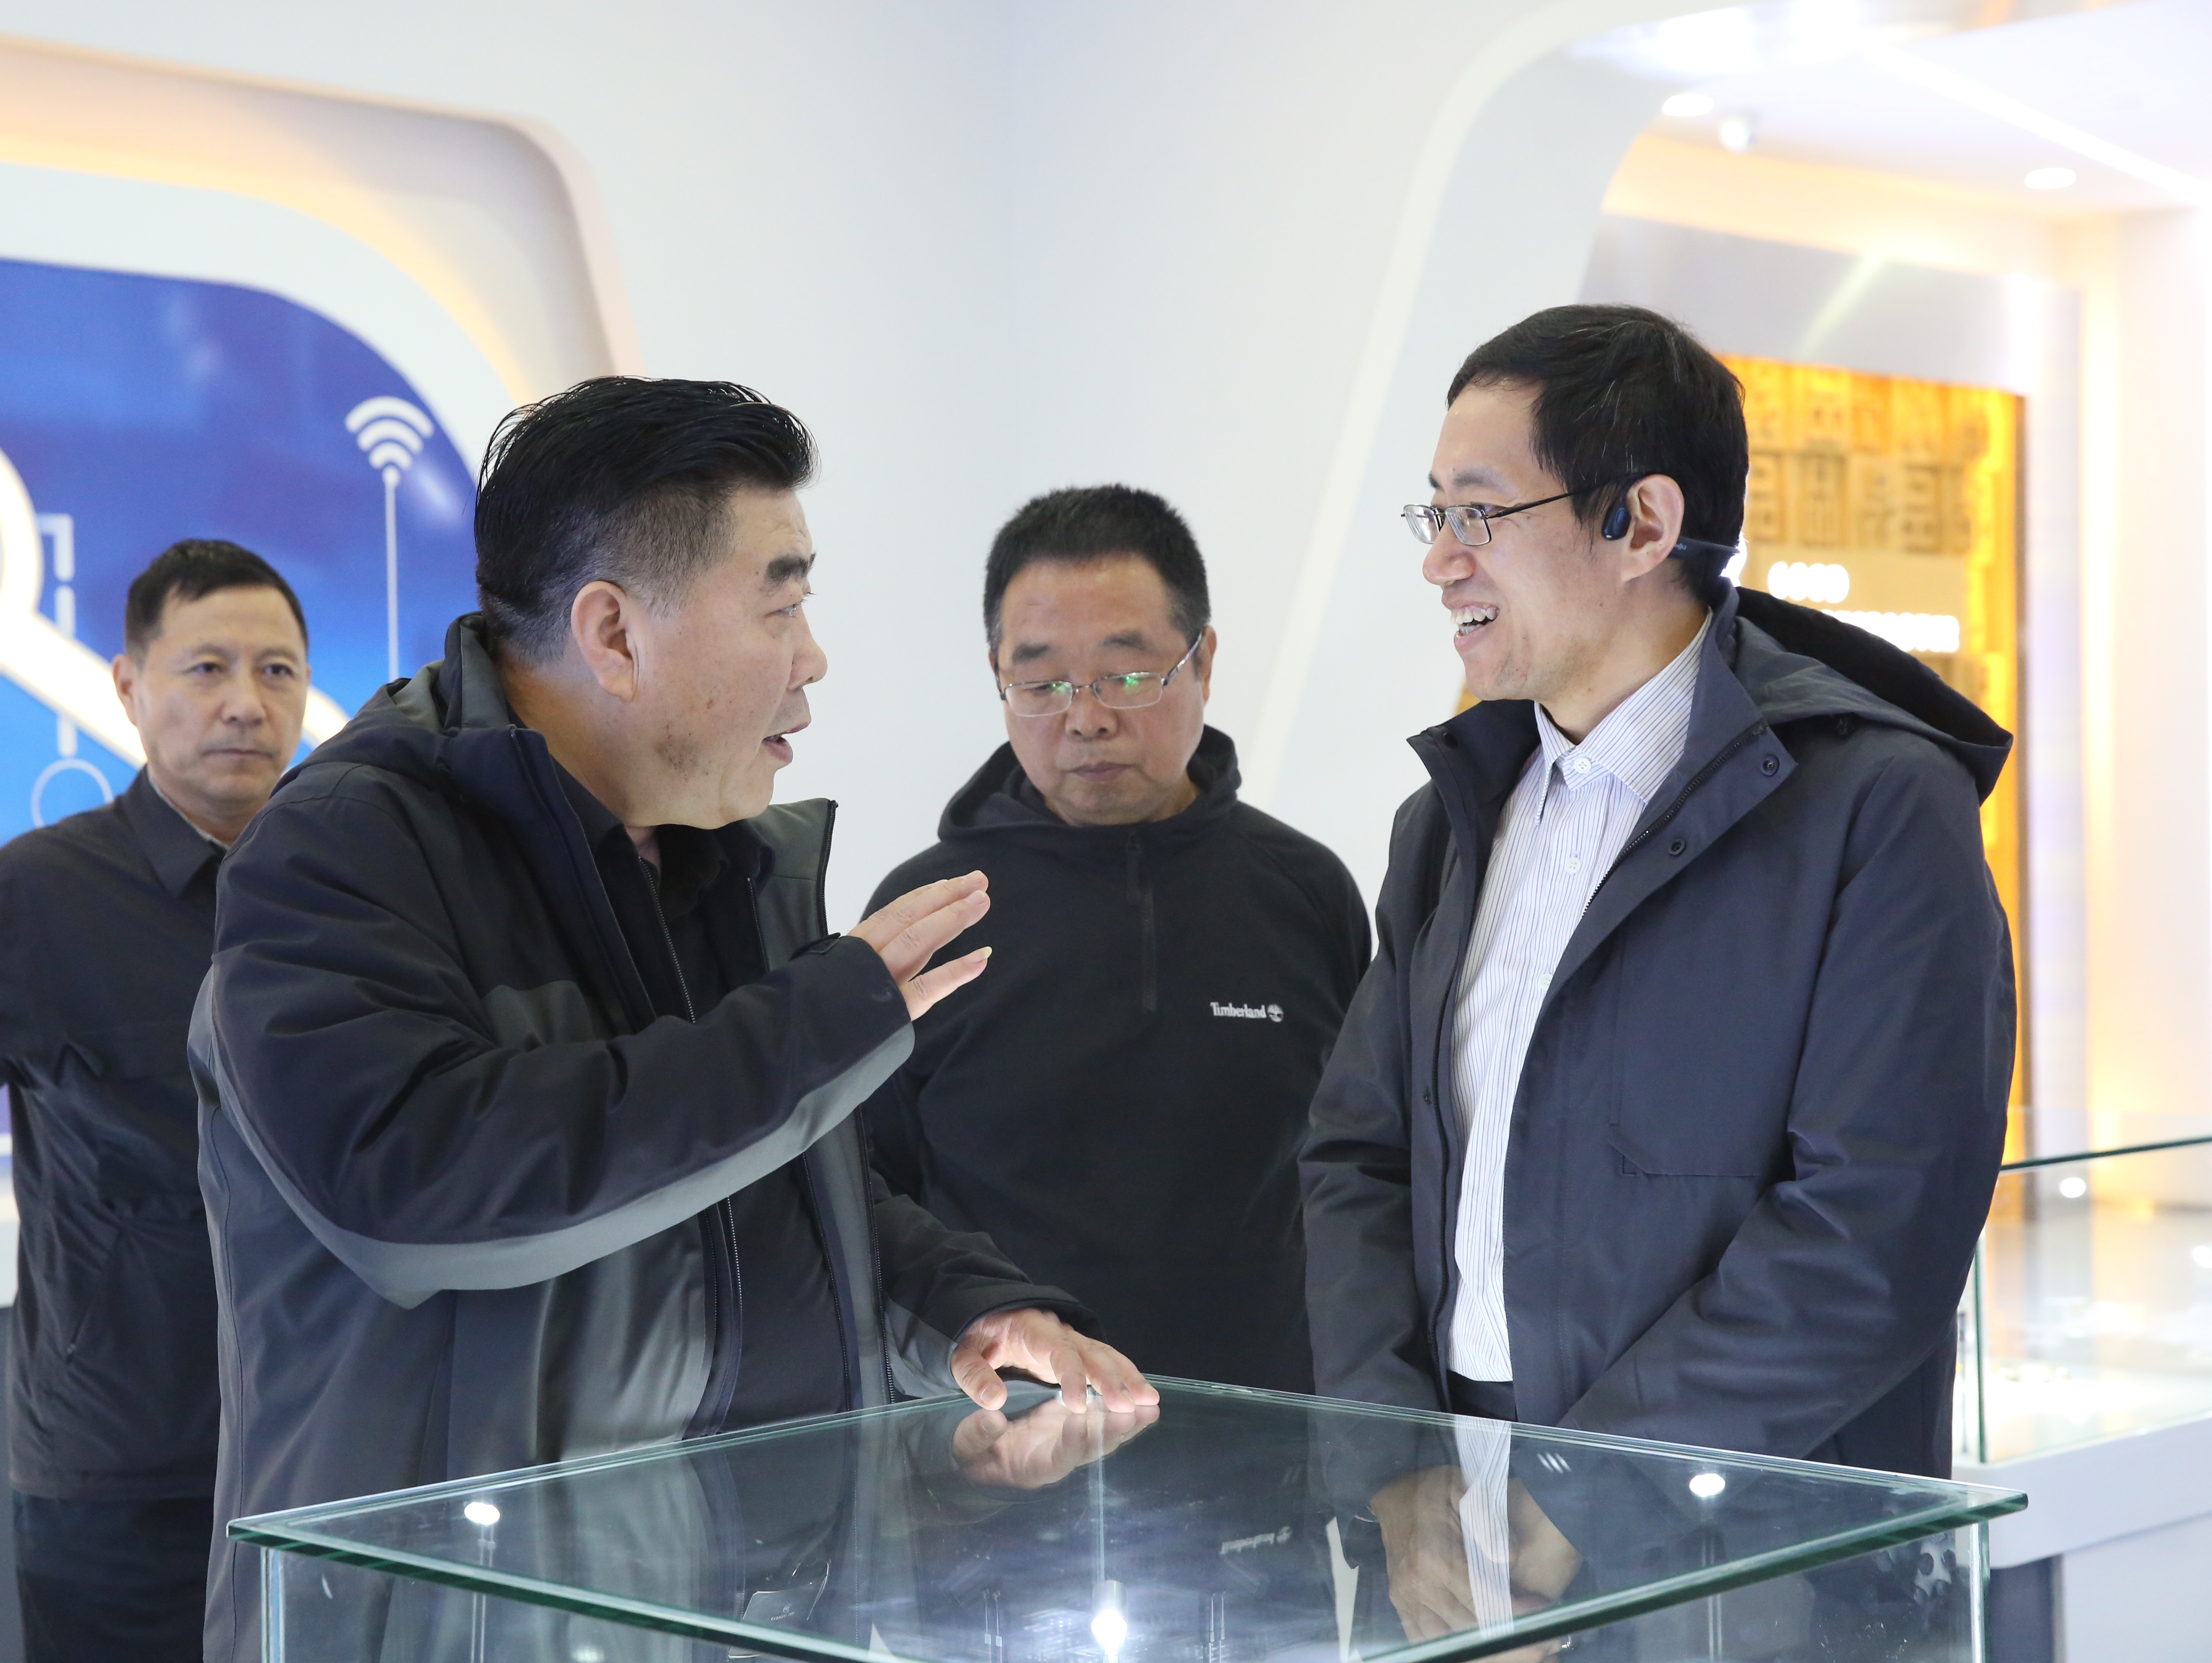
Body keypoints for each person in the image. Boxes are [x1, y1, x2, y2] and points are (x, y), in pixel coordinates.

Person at [191, 378, 1157, 1662]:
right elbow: (413, 1186)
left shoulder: (720, 856)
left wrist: (965, 1310)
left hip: (725, 1612)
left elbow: (776, 1192)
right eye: (780, 605)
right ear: (614, 632)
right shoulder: (344, 849)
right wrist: (817, 1024)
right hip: (454, 1623)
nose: (811, 659)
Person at [1300, 303, 2012, 1479]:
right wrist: (1396, 1470)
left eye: (1479, 512)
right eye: (1436, 514)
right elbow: (1359, 1159)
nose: (1440, 559)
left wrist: (1585, 1500)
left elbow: (1876, 1228)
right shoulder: (1447, 825)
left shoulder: (1878, 807)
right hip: (1452, 1497)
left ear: (1640, 522)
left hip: (1736, 1532)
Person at [0, 540, 313, 1662]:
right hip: (130, 1478)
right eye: (207, 667)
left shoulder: (347, 892)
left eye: (277, 671)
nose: (246, 702)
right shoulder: (38, 898)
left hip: (335, 1453)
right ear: (128, 686)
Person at [862, 485, 1368, 1392]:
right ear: (997, 676)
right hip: (1008, 1430)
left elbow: (1363, 1173)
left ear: (1203, 661)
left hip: (1266, 1422)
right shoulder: (927, 913)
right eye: (1041, 683)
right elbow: (868, 1197)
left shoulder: (1306, 891)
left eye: (1127, 676)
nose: (1086, 718)